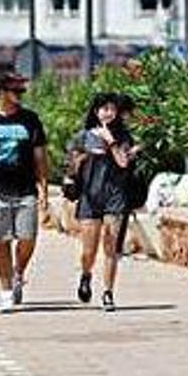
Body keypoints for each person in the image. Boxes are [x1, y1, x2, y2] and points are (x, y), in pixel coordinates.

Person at [0, 71, 49, 313]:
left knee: (28, 238)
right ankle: (6, 290)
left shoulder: (31, 119)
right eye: (16, 91)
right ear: (1, 93)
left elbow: (40, 157)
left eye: (21, 91)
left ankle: (18, 272)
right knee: (2, 242)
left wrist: (43, 186)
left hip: (25, 189)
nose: (20, 95)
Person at [68, 93, 137, 311]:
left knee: (110, 247)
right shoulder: (83, 137)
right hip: (90, 197)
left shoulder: (123, 137)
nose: (108, 113)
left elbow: (123, 163)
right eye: (104, 108)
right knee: (89, 251)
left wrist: (111, 141)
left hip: (115, 197)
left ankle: (108, 292)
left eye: (112, 109)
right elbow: (70, 167)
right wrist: (81, 159)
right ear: (96, 111)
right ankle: (86, 274)